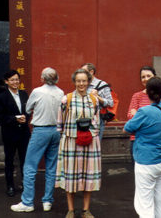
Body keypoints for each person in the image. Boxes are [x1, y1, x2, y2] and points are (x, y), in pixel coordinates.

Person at [11, 68, 63, 213]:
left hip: (40, 130)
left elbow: (27, 109)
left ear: (42, 78)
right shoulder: (60, 92)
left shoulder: (37, 91)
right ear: (56, 78)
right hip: (56, 131)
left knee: (30, 166)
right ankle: (47, 201)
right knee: (51, 167)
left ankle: (27, 201)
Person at [127, 65, 161, 218]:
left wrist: (138, 117)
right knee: (159, 198)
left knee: (145, 202)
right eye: (143, 76)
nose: (145, 79)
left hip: (147, 157)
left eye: (148, 76)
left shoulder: (144, 111)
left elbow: (128, 126)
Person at [56, 68, 100, 218]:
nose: (81, 84)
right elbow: (60, 122)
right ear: (74, 82)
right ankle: (70, 210)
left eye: (84, 81)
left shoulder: (93, 100)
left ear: (88, 82)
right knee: (70, 176)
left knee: (88, 176)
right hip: (70, 142)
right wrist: (65, 137)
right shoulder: (66, 99)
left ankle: (86, 210)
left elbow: (97, 121)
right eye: (78, 81)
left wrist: (93, 135)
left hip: (90, 142)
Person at [0, 70, 30, 197]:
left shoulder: (24, 94)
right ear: (6, 82)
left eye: (17, 79)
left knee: (25, 160)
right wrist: (14, 118)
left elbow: (29, 110)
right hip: (9, 133)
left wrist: (26, 117)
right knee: (9, 160)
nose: (15, 82)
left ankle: (26, 184)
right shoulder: (1, 97)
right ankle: (10, 186)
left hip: (24, 133)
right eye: (12, 80)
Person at [81, 63, 113, 141]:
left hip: (97, 120)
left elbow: (110, 103)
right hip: (82, 119)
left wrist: (98, 97)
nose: (82, 74)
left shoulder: (102, 84)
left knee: (95, 146)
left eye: (84, 71)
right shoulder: (81, 84)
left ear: (91, 72)